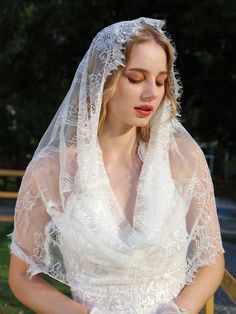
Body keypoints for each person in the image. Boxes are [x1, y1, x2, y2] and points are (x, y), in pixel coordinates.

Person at [8, 17, 225, 314]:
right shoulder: (52, 170)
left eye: (160, 81)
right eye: (136, 78)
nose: (151, 92)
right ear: (104, 80)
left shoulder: (183, 159)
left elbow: (211, 262)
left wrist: (177, 311)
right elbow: (21, 276)